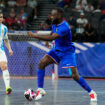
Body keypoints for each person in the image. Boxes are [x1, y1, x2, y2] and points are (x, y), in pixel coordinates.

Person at [27, 8, 97, 101]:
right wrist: (49, 41)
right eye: (51, 15)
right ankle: (40, 89)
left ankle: (91, 92)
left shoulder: (65, 27)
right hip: (56, 50)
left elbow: (53, 36)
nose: (51, 17)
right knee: (41, 63)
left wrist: (34, 35)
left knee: (74, 75)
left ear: (60, 16)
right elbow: (52, 32)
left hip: (67, 52)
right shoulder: (54, 22)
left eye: (53, 15)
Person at [0, 12, 13, 94]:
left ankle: (7, 87)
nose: (0, 18)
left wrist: (10, 49)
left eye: (1, 16)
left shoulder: (4, 28)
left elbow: (6, 39)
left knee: (4, 66)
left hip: (0, 50)